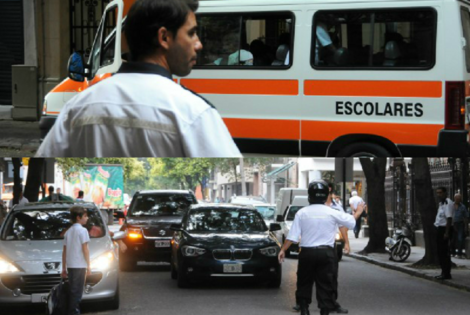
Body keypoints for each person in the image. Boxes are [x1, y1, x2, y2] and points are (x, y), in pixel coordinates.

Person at [36, 0, 241, 158]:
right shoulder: (193, 112)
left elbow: (45, 156)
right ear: (164, 38)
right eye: (192, 33)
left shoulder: (77, 106)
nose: (198, 44)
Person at [278, 180, 364, 315]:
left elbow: (292, 237)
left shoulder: (302, 213)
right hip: (327, 253)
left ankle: (304, 308)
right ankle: (324, 310)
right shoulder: (332, 212)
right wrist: (358, 212)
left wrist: (283, 250)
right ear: (325, 195)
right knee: (326, 283)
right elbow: (351, 222)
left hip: (307, 252)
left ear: (309, 196)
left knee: (304, 281)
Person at [292, 182, 350, 314]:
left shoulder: (335, 209)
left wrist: (346, 242)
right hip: (323, 250)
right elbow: (349, 221)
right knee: (321, 281)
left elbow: (342, 225)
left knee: (325, 280)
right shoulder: (314, 211)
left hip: (316, 249)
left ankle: (316, 306)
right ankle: (316, 307)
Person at [61, 206, 91, 315]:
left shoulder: (68, 232)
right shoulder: (83, 231)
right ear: (78, 217)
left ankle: (72, 311)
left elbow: (64, 251)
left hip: (70, 265)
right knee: (77, 293)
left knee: (73, 290)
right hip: (79, 265)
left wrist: (63, 268)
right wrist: (89, 265)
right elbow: (85, 250)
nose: (87, 218)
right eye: (85, 216)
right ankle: (73, 312)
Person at [434, 187, 454, 280]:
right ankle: (443, 272)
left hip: (444, 229)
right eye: (437, 193)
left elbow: (449, 219)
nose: (439, 195)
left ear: (445, 193)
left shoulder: (448, 203)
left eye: (440, 193)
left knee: (444, 252)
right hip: (439, 229)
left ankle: (446, 273)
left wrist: (446, 233)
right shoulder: (441, 203)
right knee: (440, 252)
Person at [451, 194, 468, 259]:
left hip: (460, 224)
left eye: (459, 199)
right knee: (452, 239)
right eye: (456, 199)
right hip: (452, 224)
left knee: (460, 238)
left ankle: (459, 253)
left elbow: (466, 217)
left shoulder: (462, 207)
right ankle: (452, 252)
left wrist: (466, 227)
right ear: (454, 198)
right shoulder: (451, 205)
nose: (458, 200)